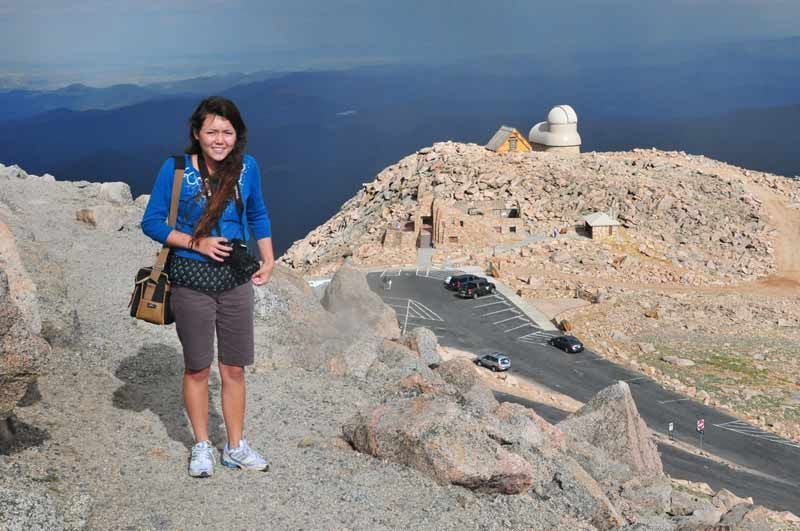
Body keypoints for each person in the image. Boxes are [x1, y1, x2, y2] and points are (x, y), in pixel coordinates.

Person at [141, 96, 275, 478]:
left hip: (235, 279)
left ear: (238, 134)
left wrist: (268, 259)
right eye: (212, 131)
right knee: (198, 367)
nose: (220, 139)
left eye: (227, 132)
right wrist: (195, 242)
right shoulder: (176, 169)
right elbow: (151, 222)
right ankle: (201, 445)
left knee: (234, 368)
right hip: (191, 279)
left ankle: (235, 446)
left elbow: (258, 212)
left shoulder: (248, 168)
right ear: (197, 133)